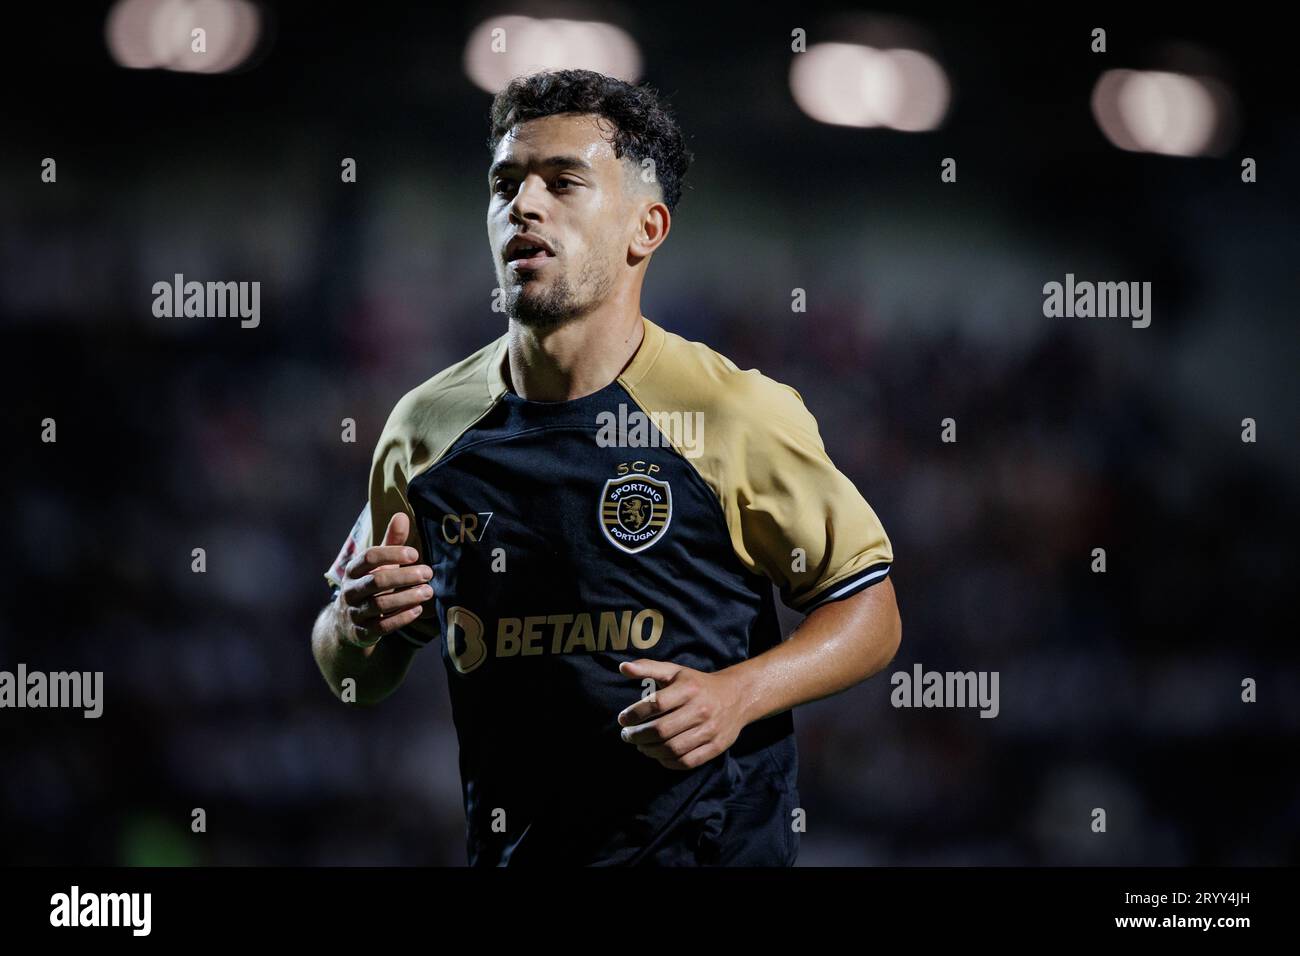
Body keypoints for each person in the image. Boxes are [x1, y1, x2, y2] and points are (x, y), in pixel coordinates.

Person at [312, 68, 901, 865]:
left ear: (644, 228)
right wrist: (352, 624)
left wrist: (739, 694)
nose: (523, 204)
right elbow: (357, 669)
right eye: (505, 183)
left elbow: (871, 614)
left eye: (563, 182)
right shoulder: (425, 429)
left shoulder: (732, 413)